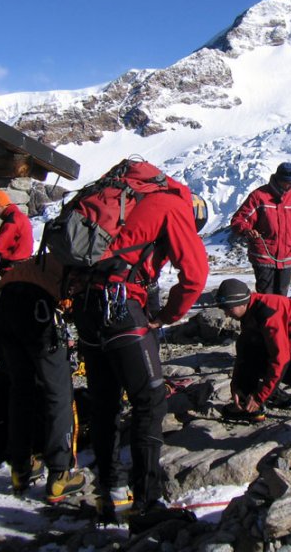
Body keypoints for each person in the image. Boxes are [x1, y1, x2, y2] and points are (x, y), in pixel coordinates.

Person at [70, 166, 208, 531]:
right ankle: (147, 501)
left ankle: (109, 493)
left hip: (85, 307)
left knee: (105, 402)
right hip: (121, 305)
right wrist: (166, 316)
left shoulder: (119, 196)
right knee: (149, 399)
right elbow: (194, 274)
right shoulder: (171, 203)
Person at [0, 255, 87, 503]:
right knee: (58, 392)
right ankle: (60, 473)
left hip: (5, 302)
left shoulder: (49, 256)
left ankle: (21, 467)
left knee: (21, 388)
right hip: (38, 308)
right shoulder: (84, 258)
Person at [214, 279, 291, 419]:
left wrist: (260, 396)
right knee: (247, 345)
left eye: (229, 308)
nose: (227, 314)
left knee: (262, 352)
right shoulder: (249, 311)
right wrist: (236, 385)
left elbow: (280, 357)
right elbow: (243, 352)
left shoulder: (267, 312)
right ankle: (249, 403)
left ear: (242, 302)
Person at [230, 162, 291, 295]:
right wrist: (247, 230)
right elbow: (239, 220)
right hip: (263, 257)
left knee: (282, 296)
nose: (290, 186)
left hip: (286, 258)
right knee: (267, 297)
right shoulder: (259, 196)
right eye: (287, 183)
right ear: (278, 179)